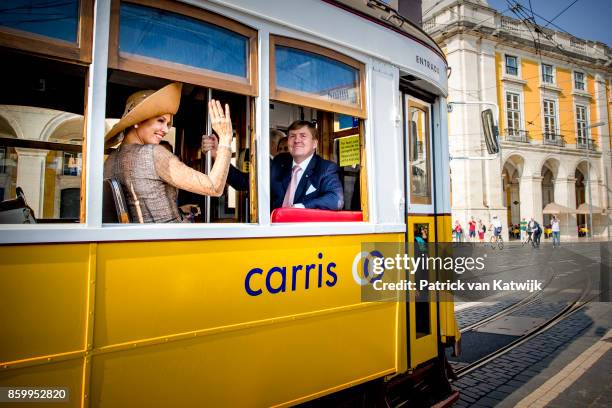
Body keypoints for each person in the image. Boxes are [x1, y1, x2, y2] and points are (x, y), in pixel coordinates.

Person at [103, 82, 233, 223]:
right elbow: (214, 186)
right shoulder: (153, 153)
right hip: (169, 241)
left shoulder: (110, 160)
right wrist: (225, 139)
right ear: (137, 121)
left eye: (168, 124)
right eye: (160, 121)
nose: (165, 130)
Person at [271, 120, 343, 210]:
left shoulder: (326, 168)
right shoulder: (278, 162)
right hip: (272, 222)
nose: (297, 140)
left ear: (314, 143)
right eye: (292, 136)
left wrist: (301, 207)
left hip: (303, 222)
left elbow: (336, 200)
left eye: (303, 136)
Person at [202, 129, 287, 192]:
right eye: (282, 146)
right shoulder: (267, 164)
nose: (286, 150)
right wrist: (218, 155)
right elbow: (242, 181)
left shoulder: (283, 164)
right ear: (272, 144)